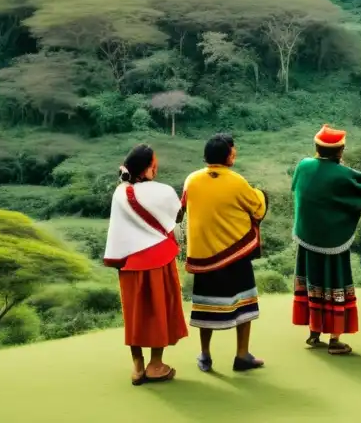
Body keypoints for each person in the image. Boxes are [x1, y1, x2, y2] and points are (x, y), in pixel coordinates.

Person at [103, 144, 188, 386]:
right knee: (159, 311)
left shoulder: (120, 193)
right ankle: (156, 365)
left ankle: (138, 366)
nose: (156, 167)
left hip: (130, 263)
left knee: (135, 313)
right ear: (146, 168)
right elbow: (177, 216)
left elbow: (118, 229)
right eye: (154, 164)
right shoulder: (163, 191)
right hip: (159, 260)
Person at [182, 133, 267, 373]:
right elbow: (258, 209)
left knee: (204, 307)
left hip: (204, 256)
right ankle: (242, 355)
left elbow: (182, 207)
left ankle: (205, 355)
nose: (235, 153)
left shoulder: (192, 179)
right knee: (245, 304)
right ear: (228, 154)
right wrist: (260, 193)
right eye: (233, 150)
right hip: (234, 253)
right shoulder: (237, 181)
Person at [291, 125, 361, 355]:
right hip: (334, 242)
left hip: (307, 239)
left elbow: (296, 187)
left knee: (312, 281)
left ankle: (314, 332)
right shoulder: (343, 175)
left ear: (317, 148)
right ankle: (335, 340)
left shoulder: (304, 166)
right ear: (340, 151)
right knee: (335, 283)